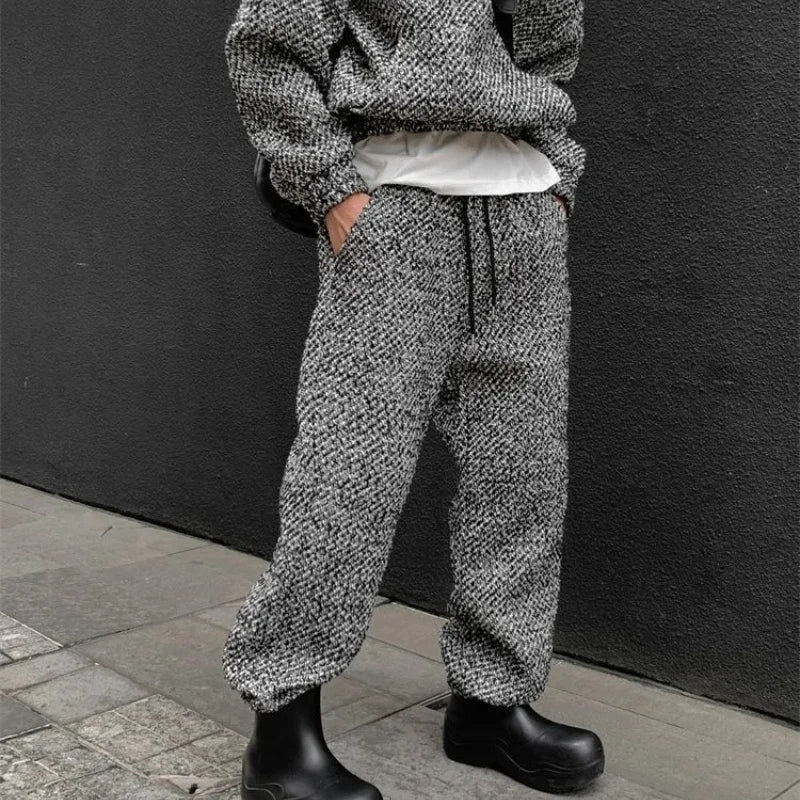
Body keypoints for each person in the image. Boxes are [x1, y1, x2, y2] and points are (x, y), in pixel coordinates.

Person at [221, 1, 604, 797]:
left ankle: (491, 701)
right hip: (394, 211)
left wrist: (556, 171)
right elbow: (268, 44)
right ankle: (282, 723)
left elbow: (552, 47)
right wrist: (329, 188)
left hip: (523, 211)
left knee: (523, 477)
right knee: (348, 475)